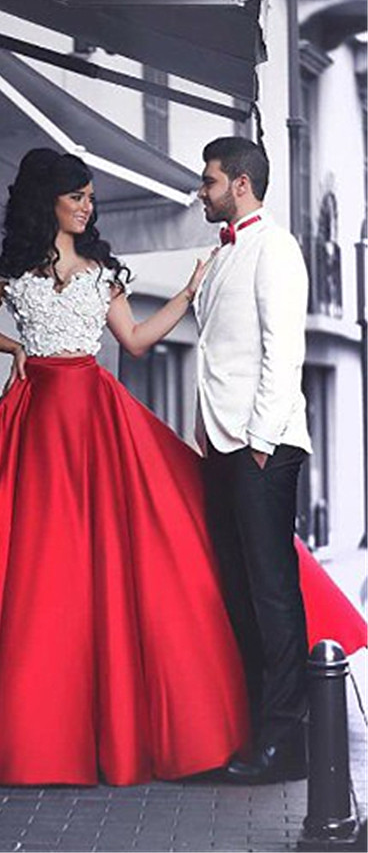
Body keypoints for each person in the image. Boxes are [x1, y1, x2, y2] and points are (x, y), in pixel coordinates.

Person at [0, 148, 364, 788]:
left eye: (88, 196)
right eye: (77, 196)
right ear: (46, 202)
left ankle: (264, 728)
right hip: (37, 422)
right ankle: (29, 729)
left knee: (152, 562)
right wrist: (16, 345)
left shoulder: (114, 268)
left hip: (106, 419)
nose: (88, 205)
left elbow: (136, 342)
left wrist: (189, 297)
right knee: (19, 563)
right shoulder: (12, 267)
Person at [195, 136, 315, 783]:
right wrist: (207, 435)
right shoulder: (220, 255)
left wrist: (262, 442)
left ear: (239, 184)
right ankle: (255, 736)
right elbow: (216, 351)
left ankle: (284, 746)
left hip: (262, 445)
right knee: (240, 593)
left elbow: (283, 352)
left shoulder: (276, 248)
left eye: (209, 181)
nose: (201, 191)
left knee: (271, 594)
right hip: (221, 443)